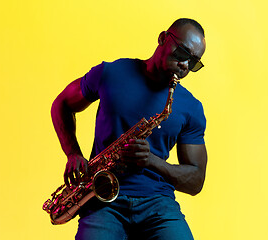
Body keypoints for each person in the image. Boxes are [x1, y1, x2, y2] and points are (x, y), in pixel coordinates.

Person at [51, 18, 208, 240]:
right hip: (102, 200)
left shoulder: (191, 107)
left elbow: (196, 180)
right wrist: (73, 153)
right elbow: (63, 104)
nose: (185, 66)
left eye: (194, 63)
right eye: (183, 53)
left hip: (158, 205)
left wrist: (152, 161)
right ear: (163, 38)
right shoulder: (111, 73)